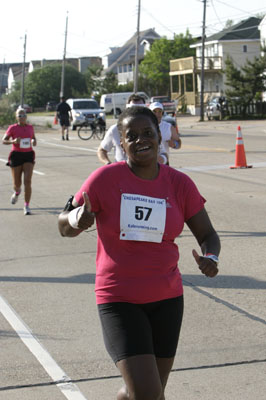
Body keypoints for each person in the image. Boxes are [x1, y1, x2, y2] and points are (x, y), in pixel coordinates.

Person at [58, 106, 220, 400]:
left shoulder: (179, 184)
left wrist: (211, 258)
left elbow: (208, 235)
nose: (141, 140)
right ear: (121, 143)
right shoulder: (104, 179)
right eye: (131, 136)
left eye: (148, 133)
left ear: (160, 136)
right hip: (119, 299)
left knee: (148, 392)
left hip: (168, 300)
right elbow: (62, 224)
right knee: (147, 394)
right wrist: (77, 219)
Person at [97, 94, 169, 165]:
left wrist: (157, 162)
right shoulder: (115, 129)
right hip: (123, 173)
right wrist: (108, 164)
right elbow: (102, 150)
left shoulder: (151, 128)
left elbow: (163, 153)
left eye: (140, 109)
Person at [2, 108, 37, 215]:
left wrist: (34, 141)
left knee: (28, 181)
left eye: (23, 115)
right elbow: (4, 140)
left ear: (26, 116)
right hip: (16, 155)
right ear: (16, 117)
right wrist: (13, 141)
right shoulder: (12, 128)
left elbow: (34, 139)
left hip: (28, 155)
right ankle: (17, 192)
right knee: (17, 183)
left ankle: (26, 206)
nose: (22, 117)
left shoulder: (30, 127)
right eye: (19, 115)